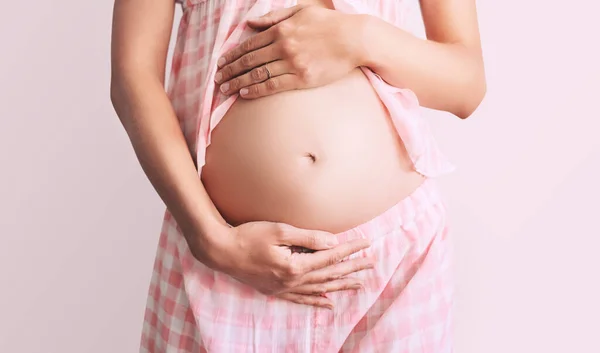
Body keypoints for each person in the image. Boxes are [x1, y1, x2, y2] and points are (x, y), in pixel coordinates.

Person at [110, 0, 485, 351]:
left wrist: (359, 39)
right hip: (230, 266)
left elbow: (466, 85)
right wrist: (210, 239)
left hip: (395, 265)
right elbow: (133, 76)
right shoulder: (218, 249)